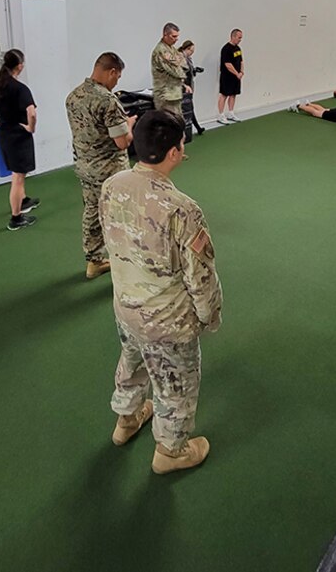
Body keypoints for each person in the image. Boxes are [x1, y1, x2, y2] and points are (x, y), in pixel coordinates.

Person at [100, 110, 222, 474]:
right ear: (173, 152)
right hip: (167, 321)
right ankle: (170, 452)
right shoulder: (182, 210)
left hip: (126, 305)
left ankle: (126, 420)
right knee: (175, 385)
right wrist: (209, 314)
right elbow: (200, 276)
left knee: (132, 361)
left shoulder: (112, 185)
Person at [66, 52, 136, 279]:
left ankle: (94, 262)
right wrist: (129, 125)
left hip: (85, 167)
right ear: (112, 71)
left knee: (92, 213)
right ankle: (126, 264)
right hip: (110, 171)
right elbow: (122, 142)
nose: (117, 82)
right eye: (118, 77)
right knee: (120, 216)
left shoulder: (74, 96)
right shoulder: (107, 100)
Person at [0, 49, 40, 230]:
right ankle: (16, 218)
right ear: (20, 66)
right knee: (17, 177)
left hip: (5, 135)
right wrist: (31, 127)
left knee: (19, 172)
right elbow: (32, 113)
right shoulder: (20, 89)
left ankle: (23, 200)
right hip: (19, 137)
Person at [151, 22, 188, 118]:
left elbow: (184, 63)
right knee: (169, 127)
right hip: (166, 95)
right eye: (174, 36)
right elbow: (176, 71)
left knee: (179, 124)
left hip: (175, 93)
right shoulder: (161, 50)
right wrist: (179, 66)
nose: (176, 39)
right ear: (165, 35)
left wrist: (179, 64)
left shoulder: (171, 49)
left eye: (177, 36)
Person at [216, 29, 244, 124]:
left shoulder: (238, 49)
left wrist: (241, 72)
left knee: (233, 94)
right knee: (224, 95)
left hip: (236, 77)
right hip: (227, 77)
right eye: (239, 37)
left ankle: (230, 113)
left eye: (241, 38)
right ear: (233, 37)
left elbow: (241, 61)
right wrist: (236, 73)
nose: (240, 39)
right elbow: (228, 64)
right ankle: (220, 115)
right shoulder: (226, 49)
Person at [179, 39, 205, 138]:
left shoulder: (188, 59)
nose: (192, 53)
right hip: (183, 87)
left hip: (189, 85)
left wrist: (195, 70)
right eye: (191, 51)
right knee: (189, 108)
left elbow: (189, 71)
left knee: (189, 108)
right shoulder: (180, 58)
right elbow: (180, 74)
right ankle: (197, 127)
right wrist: (184, 85)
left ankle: (196, 127)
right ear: (186, 49)